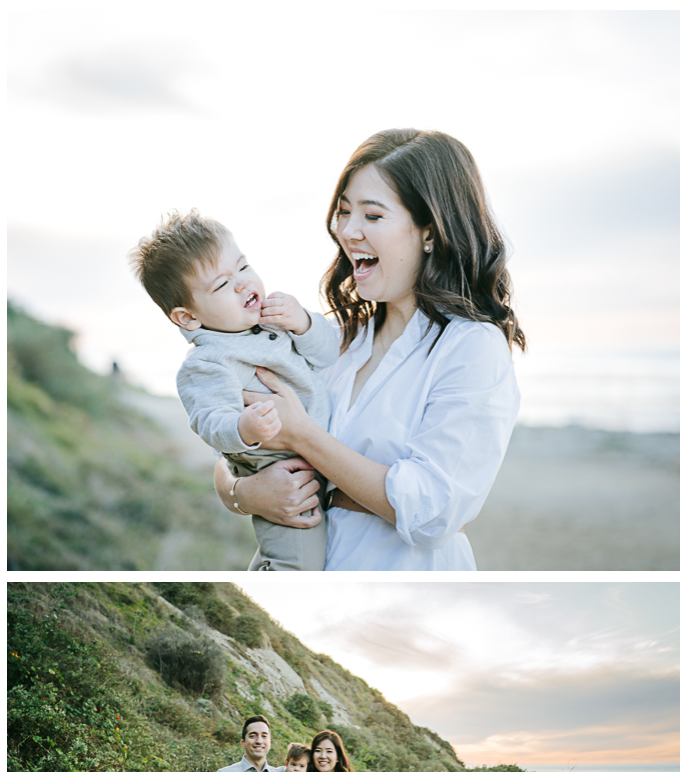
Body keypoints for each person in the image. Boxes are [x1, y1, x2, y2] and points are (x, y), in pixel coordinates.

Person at [214, 127, 524, 570]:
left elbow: (432, 511)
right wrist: (244, 494)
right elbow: (228, 441)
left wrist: (302, 435)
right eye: (344, 213)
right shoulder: (334, 336)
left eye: (373, 217)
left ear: (430, 232)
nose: (348, 231)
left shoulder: (472, 347)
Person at [129, 211, 340, 570]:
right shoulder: (208, 362)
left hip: (319, 462)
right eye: (223, 285)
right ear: (188, 317)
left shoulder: (273, 319)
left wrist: (303, 322)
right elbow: (211, 422)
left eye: (243, 268)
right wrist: (245, 427)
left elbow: (329, 352)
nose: (244, 284)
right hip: (284, 475)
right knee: (297, 564)